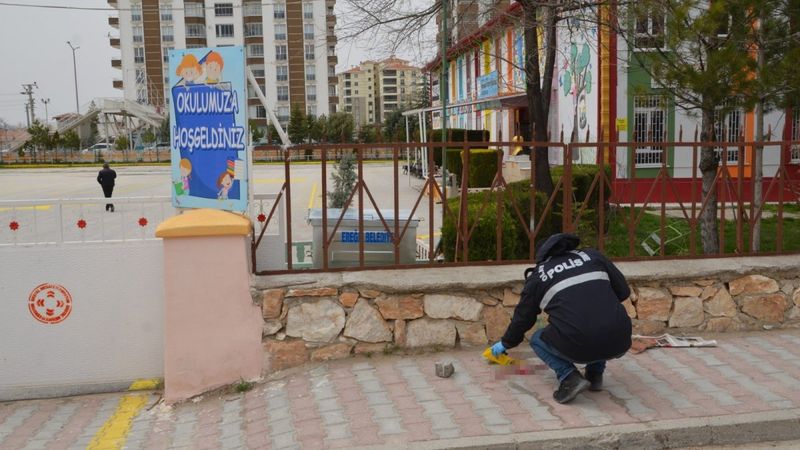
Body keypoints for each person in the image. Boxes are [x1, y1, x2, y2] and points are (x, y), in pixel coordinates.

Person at [490, 233, 632, 404]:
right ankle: (595, 375)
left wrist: (506, 343)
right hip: (620, 338)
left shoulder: (539, 276)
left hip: (581, 343)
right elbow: (623, 291)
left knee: (537, 339)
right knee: (598, 319)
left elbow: (523, 319)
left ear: (542, 255)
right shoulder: (593, 256)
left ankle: (569, 377)